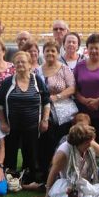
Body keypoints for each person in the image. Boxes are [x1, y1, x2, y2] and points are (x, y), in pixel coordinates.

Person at [0, 51, 51, 184]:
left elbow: (46, 101)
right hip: (11, 126)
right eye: (17, 62)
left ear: (29, 65)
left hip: (33, 125)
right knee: (10, 154)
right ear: (14, 65)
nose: (20, 64)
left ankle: (29, 178)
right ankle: (10, 178)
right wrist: (3, 122)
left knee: (31, 154)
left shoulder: (37, 80)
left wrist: (45, 120)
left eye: (23, 62)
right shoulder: (8, 82)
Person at [37, 40, 77, 178]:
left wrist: (57, 97)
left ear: (58, 53)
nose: (50, 53)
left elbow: (72, 88)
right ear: (43, 53)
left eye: (53, 51)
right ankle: (45, 174)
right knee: (45, 144)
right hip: (43, 113)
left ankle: (61, 174)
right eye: (47, 50)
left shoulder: (64, 69)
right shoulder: (38, 70)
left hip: (63, 114)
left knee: (61, 143)